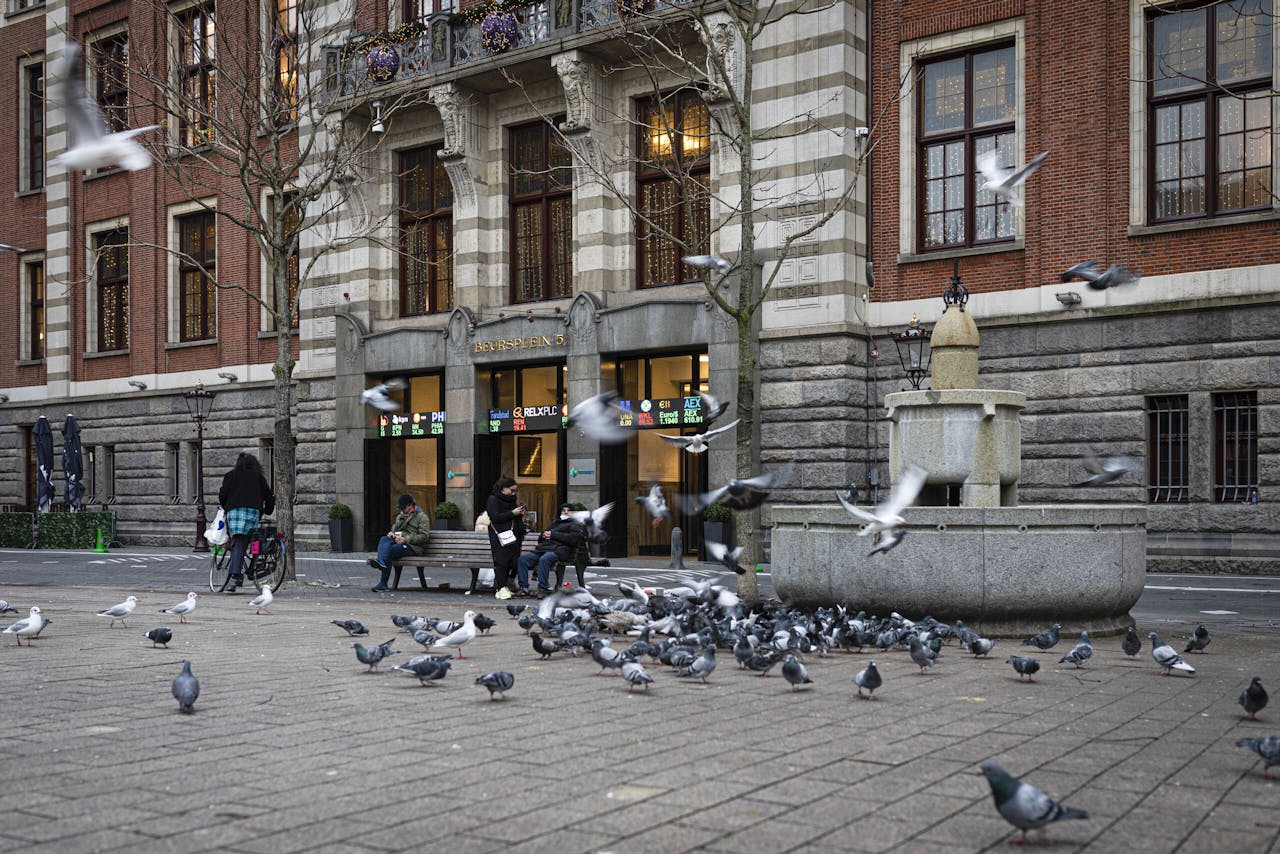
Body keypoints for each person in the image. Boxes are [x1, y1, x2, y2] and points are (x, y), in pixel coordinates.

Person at [217, 452, 275, 594]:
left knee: (238, 541)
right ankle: (252, 567)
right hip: (253, 512)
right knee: (254, 539)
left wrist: (226, 506)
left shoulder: (230, 476)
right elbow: (269, 496)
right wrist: (267, 510)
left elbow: (223, 495)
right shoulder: (259, 478)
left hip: (236, 513)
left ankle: (235, 577)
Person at [516, 502, 585, 597]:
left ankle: (542, 588)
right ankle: (524, 588)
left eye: (569, 511)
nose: (566, 512)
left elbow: (573, 539)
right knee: (522, 560)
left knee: (544, 559)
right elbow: (541, 538)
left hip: (560, 550)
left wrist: (553, 535)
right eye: (563, 510)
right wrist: (545, 535)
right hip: (544, 549)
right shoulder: (554, 523)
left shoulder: (575, 524)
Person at [368, 494, 431, 592]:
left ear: (410, 505)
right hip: (400, 542)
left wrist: (405, 539)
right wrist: (392, 533)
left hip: (413, 547)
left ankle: (383, 583)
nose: (401, 511)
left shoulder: (422, 517)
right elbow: (395, 528)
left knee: (390, 550)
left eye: (403, 508)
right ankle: (381, 562)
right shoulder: (401, 516)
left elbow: (424, 537)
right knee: (384, 539)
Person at [486, 476, 526, 599]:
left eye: (515, 491)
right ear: (503, 488)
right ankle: (501, 587)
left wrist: (520, 514)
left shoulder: (511, 500)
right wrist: (513, 513)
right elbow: (496, 517)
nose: (513, 493)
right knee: (502, 562)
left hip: (514, 535)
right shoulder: (493, 499)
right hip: (500, 535)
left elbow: (513, 516)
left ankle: (506, 585)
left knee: (514, 561)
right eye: (511, 490)